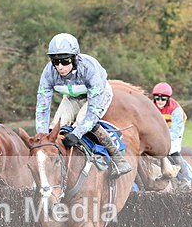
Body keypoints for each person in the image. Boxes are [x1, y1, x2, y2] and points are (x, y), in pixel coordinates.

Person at [34, 33, 131, 177]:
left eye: (65, 61)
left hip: (98, 95)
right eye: (55, 61)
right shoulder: (49, 72)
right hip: (72, 97)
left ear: (75, 57)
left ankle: (118, 159)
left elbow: (93, 111)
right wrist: (42, 137)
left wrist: (77, 133)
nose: (60, 67)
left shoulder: (89, 68)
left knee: (81, 121)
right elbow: (42, 107)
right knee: (55, 126)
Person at [151, 82, 192, 189]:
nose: (160, 101)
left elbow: (175, 131)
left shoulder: (176, 110)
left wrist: (164, 141)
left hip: (175, 129)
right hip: (160, 129)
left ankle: (187, 178)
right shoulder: (151, 106)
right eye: (157, 98)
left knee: (172, 150)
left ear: (168, 99)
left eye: (163, 99)